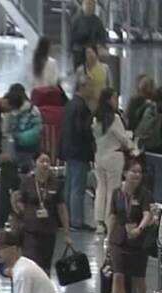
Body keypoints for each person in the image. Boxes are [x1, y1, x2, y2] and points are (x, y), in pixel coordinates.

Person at [106, 161, 154, 293]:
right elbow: (112, 216)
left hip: (138, 240)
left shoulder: (144, 194)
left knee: (139, 277)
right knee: (118, 275)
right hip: (118, 239)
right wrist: (107, 238)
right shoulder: (116, 193)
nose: (136, 175)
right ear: (125, 173)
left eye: (139, 172)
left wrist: (140, 228)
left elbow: (147, 214)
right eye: (133, 171)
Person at [13, 152, 70, 274]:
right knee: (32, 264)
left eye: (47, 161)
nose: (45, 164)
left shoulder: (56, 183)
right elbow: (17, 201)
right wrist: (25, 214)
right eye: (42, 161)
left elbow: (61, 208)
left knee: (45, 266)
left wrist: (66, 232)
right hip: (30, 231)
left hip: (49, 231)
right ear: (35, 163)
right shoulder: (27, 182)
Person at [93, 87, 137, 237]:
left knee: (100, 189)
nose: (116, 101)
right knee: (113, 189)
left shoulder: (95, 118)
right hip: (114, 157)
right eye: (114, 98)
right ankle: (109, 221)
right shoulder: (115, 118)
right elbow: (123, 138)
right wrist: (133, 149)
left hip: (98, 156)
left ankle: (99, 222)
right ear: (108, 100)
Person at [0, 85, 43, 225]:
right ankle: (4, 219)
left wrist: (16, 137)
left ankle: (22, 217)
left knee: (23, 188)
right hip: (11, 156)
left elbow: (35, 133)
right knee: (6, 190)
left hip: (25, 155)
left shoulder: (32, 112)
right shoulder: (10, 111)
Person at [61, 77, 96, 231]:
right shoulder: (81, 107)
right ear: (82, 87)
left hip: (69, 150)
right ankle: (76, 221)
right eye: (90, 86)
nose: (92, 90)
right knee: (78, 188)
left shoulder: (70, 104)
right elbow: (82, 130)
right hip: (79, 151)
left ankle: (68, 219)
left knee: (70, 186)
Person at [69, 0, 107, 68]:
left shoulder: (98, 22)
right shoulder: (76, 20)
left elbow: (102, 37)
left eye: (92, 5)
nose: (89, 7)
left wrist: (101, 46)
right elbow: (71, 36)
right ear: (83, 5)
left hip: (92, 52)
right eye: (87, 4)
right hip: (78, 51)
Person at [77, 45, 109, 111]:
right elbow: (77, 87)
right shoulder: (81, 70)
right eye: (87, 53)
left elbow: (109, 85)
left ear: (96, 54)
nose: (89, 55)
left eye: (91, 53)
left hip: (101, 102)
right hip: (86, 103)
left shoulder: (105, 68)